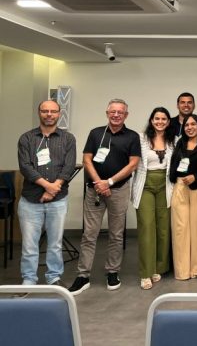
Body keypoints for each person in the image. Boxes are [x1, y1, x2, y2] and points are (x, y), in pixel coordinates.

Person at [69, 99, 141, 295]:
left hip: (119, 190)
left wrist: (109, 182)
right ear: (107, 113)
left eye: (120, 112)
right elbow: (87, 160)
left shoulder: (132, 136)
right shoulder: (96, 133)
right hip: (95, 190)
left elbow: (133, 164)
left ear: (126, 115)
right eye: (113, 112)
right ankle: (83, 276)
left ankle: (112, 272)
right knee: (89, 234)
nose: (116, 115)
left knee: (116, 234)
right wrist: (99, 183)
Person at [17, 100, 76, 287]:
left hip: (58, 201)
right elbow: (25, 167)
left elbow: (68, 167)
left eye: (53, 111)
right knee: (29, 245)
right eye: (45, 111)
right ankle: (29, 279)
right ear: (39, 113)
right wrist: (47, 186)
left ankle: (53, 278)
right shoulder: (26, 138)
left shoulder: (68, 139)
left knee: (55, 243)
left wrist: (53, 189)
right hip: (30, 200)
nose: (49, 114)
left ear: (59, 113)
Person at [131, 107, 174, 290]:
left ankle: (158, 267)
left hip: (166, 185)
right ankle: (145, 272)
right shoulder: (140, 138)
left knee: (163, 228)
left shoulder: (174, 140)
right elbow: (133, 161)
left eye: (163, 119)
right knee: (147, 227)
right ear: (151, 120)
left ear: (168, 122)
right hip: (145, 185)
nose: (160, 122)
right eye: (157, 118)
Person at [169, 114, 197, 280]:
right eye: (187, 125)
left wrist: (196, 177)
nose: (190, 127)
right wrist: (177, 177)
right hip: (180, 188)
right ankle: (182, 270)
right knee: (180, 229)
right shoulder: (179, 144)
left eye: (193, 124)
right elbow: (173, 167)